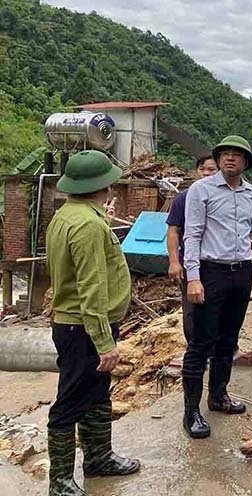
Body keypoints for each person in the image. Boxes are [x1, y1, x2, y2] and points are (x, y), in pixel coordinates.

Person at [46, 150, 140, 495]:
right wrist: (104, 341)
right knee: (70, 400)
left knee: (97, 393)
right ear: (104, 185)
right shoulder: (86, 225)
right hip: (83, 327)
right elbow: (91, 285)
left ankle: (99, 457)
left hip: (78, 323)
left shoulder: (68, 216)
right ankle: (59, 481)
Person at [181, 135, 252, 439]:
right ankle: (191, 412)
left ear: (246, 162)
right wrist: (193, 277)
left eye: (237, 155)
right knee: (201, 342)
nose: (230, 159)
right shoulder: (201, 190)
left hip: (240, 272)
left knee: (229, 339)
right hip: (210, 271)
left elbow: (250, 231)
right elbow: (192, 234)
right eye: (225, 154)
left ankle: (218, 396)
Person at [166, 155, 218, 341]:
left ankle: (220, 350)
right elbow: (173, 231)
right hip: (189, 263)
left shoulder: (223, 198)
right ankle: (195, 351)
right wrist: (173, 262)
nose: (206, 173)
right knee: (191, 311)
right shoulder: (183, 198)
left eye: (211, 169)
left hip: (217, 263)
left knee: (219, 309)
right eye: (202, 169)